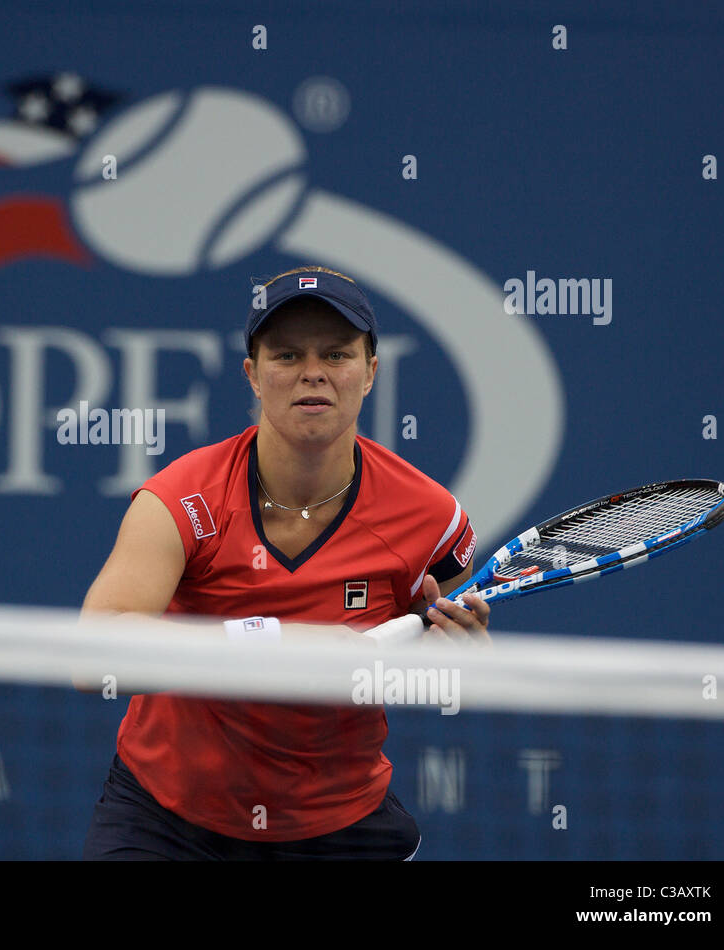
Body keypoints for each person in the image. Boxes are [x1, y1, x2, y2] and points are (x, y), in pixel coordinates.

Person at [81, 265, 490, 860]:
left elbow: (455, 659)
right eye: (287, 355)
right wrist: (267, 643)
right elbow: (92, 659)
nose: (313, 373)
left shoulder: (430, 517)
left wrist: (457, 658)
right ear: (253, 374)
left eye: (337, 354)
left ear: (371, 372)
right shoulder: (181, 500)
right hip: (167, 819)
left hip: (336, 825)